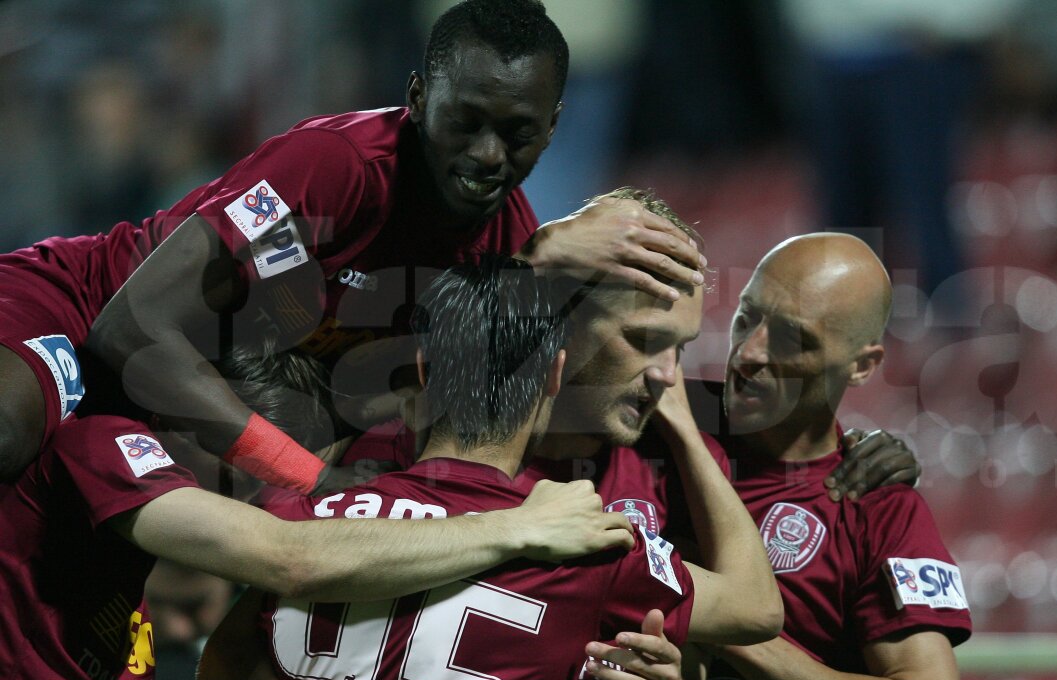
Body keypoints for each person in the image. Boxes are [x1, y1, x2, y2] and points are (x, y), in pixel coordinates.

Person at [0, 0, 705, 489]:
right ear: (419, 95)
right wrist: (310, 479)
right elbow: (130, 328)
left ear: (553, 128)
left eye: (517, 134)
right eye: (466, 121)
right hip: (75, 307)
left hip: (179, 408)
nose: (489, 154)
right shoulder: (334, 168)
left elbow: (483, 434)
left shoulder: (506, 245)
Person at [198, 255, 782, 680]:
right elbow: (757, 608)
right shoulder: (588, 545)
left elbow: (222, 657)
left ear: (423, 369)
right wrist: (687, 431)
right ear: (556, 373)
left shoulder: (311, 514)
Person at [0, 342, 633, 680]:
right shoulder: (98, 447)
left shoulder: (126, 572)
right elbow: (288, 554)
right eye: (245, 477)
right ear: (182, 426)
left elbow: (227, 650)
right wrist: (513, 526)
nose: (248, 503)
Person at [589, 233, 972, 680]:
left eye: (793, 339)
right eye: (748, 317)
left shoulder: (877, 508)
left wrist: (716, 613)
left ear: (862, 364)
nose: (748, 354)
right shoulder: (645, 415)